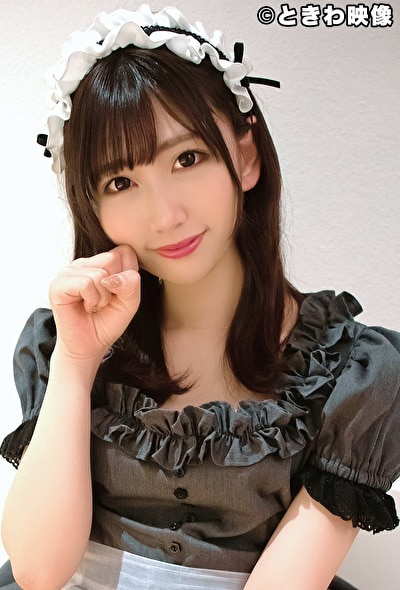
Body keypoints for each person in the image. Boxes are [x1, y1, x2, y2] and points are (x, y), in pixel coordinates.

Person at [1, 5, 399, 590]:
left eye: (187, 158)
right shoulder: (60, 342)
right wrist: (77, 362)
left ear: (245, 157)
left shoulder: (357, 375)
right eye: (121, 182)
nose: (165, 216)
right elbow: (39, 571)